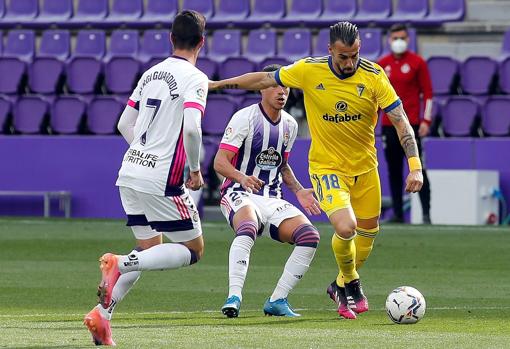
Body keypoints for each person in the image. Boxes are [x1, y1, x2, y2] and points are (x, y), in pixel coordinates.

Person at [209, 21, 423, 320]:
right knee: (346, 227)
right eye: (343, 57)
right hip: (327, 167)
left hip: (365, 168)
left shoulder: (374, 76)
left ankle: (339, 284)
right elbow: (262, 79)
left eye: (355, 55)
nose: (350, 63)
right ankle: (352, 283)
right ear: (330, 51)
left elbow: (400, 121)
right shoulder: (309, 70)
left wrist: (415, 167)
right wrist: (216, 85)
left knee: (368, 233)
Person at [84, 10, 208, 346]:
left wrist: (144, 149)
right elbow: (193, 129)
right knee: (194, 250)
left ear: (171, 39)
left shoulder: (151, 73)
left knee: (149, 247)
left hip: (130, 172)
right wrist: (195, 170)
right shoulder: (195, 78)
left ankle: (102, 316)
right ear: (202, 42)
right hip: (161, 179)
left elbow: (124, 123)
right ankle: (118, 263)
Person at [215, 64, 322, 318]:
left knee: (310, 236)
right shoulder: (245, 117)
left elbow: (281, 164)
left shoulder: (290, 125)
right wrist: (242, 176)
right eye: (274, 85)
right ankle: (234, 296)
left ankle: (277, 299)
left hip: (272, 198)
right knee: (248, 226)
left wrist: (297, 190)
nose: (281, 91)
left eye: (284, 85)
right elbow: (219, 162)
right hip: (238, 192)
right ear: (261, 88)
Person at [378, 23, 432, 224]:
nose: (398, 41)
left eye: (402, 37)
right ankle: (399, 214)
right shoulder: (382, 64)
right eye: (395, 38)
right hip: (388, 126)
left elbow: (427, 93)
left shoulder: (418, 63)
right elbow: (375, 98)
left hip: (412, 125)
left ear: (408, 39)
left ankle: (426, 214)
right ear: (389, 40)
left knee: (418, 168)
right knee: (393, 170)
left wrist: (426, 120)